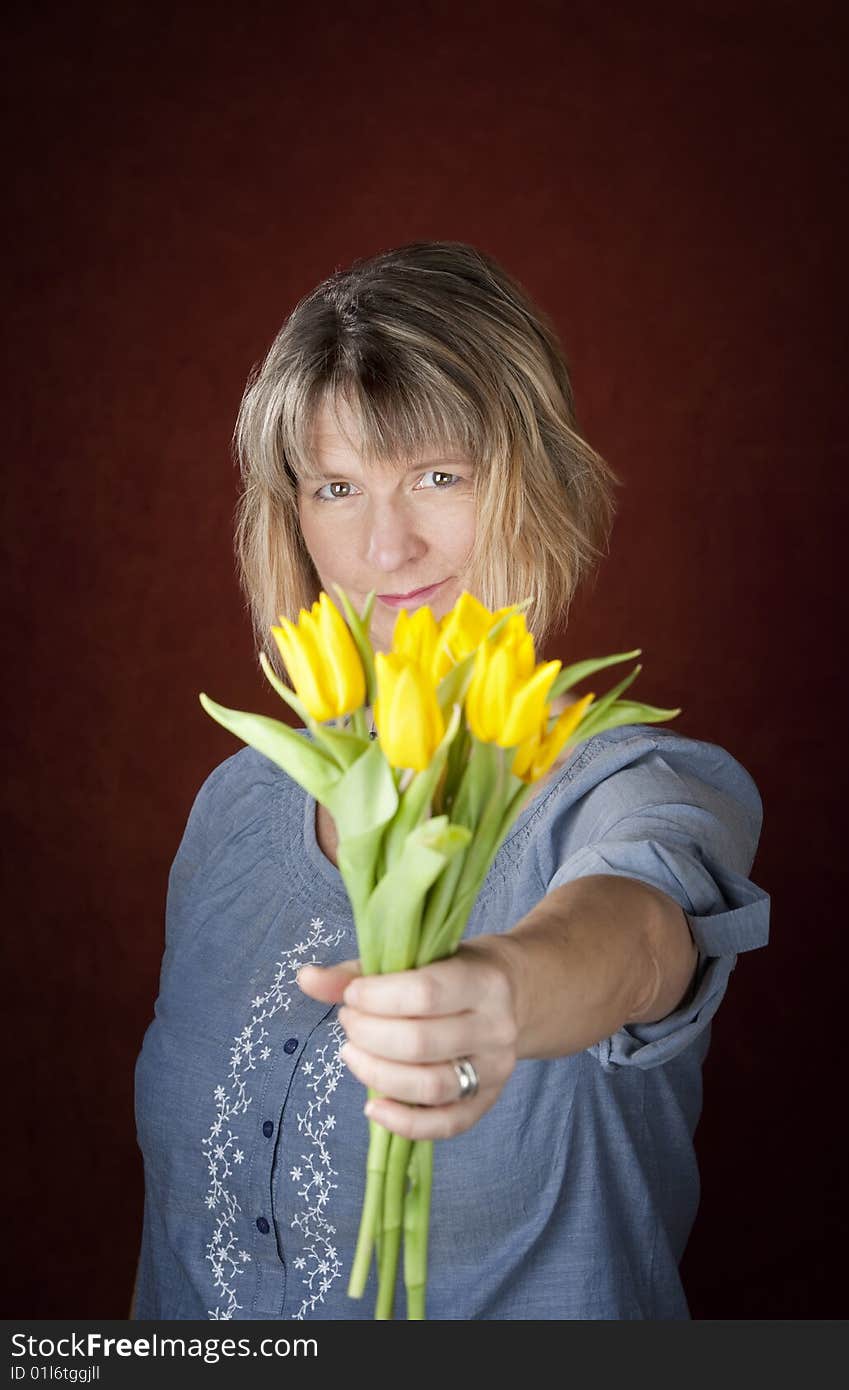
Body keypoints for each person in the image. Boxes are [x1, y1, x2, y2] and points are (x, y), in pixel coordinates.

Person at [132, 241, 770, 1321]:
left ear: (540, 483)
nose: (389, 545)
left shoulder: (633, 789)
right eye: (338, 487)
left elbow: (642, 936)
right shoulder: (233, 808)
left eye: (439, 475)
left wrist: (504, 993)